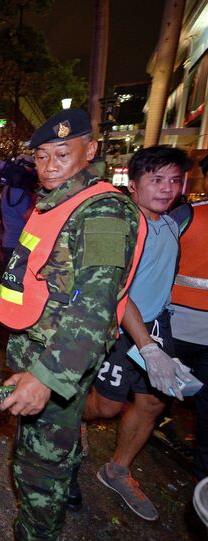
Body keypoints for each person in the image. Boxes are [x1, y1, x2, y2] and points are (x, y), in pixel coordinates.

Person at [0, 109, 146, 540]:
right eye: (41, 156)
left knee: (40, 471)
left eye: (62, 152)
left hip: (56, 359)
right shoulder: (59, 202)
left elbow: (96, 305)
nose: (49, 165)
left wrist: (46, 378)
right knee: (52, 450)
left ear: (90, 150)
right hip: (40, 349)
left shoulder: (103, 213)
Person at [78, 146, 192, 521]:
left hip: (157, 323)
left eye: (174, 180)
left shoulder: (172, 223)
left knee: (154, 402)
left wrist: (157, 341)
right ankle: (73, 418)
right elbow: (114, 290)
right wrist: (147, 347)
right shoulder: (115, 220)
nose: (166, 188)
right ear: (135, 182)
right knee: (107, 405)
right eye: (156, 179)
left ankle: (118, 470)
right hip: (120, 326)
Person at [169, 154, 208, 482]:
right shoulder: (187, 216)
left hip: (179, 325)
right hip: (176, 326)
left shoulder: (187, 215)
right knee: (152, 400)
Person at [0, 155, 37, 264]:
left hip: (9, 241)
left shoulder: (7, 188)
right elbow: (27, 216)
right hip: (19, 243)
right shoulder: (20, 191)